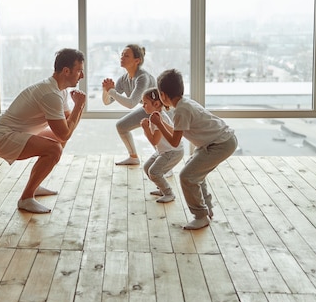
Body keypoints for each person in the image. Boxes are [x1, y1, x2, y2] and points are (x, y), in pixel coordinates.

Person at [0, 48, 87, 214]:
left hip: (15, 133)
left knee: (59, 142)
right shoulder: (50, 94)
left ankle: (35, 184)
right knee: (54, 149)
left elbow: (68, 126)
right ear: (66, 71)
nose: (82, 76)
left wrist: (78, 107)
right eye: (79, 71)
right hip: (0, 137)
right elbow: (66, 131)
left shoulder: (60, 91)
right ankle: (26, 198)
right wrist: (80, 105)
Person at [150, 69, 238, 230]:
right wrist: (161, 123)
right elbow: (176, 131)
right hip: (219, 141)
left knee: (187, 176)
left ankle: (201, 216)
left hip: (220, 144)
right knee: (195, 172)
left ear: (162, 95)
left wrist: (159, 123)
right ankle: (207, 209)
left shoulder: (181, 111)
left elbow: (174, 142)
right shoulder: (184, 104)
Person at [102, 44, 157, 165]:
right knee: (121, 126)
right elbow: (107, 102)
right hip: (148, 110)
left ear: (137, 61)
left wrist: (111, 91)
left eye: (126, 55)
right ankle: (133, 157)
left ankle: (164, 165)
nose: (122, 57)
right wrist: (105, 90)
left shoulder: (143, 78)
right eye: (121, 55)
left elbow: (132, 103)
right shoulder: (123, 79)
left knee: (156, 136)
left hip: (162, 111)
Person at [140, 88, 184, 203]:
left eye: (145, 103)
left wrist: (145, 129)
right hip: (164, 150)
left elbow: (154, 142)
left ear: (156, 104)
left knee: (154, 172)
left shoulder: (157, 118)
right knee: (147, 168)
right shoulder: (156, 116)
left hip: (172, 151)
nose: (143, 106)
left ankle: (169, 193)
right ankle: (162, 189)